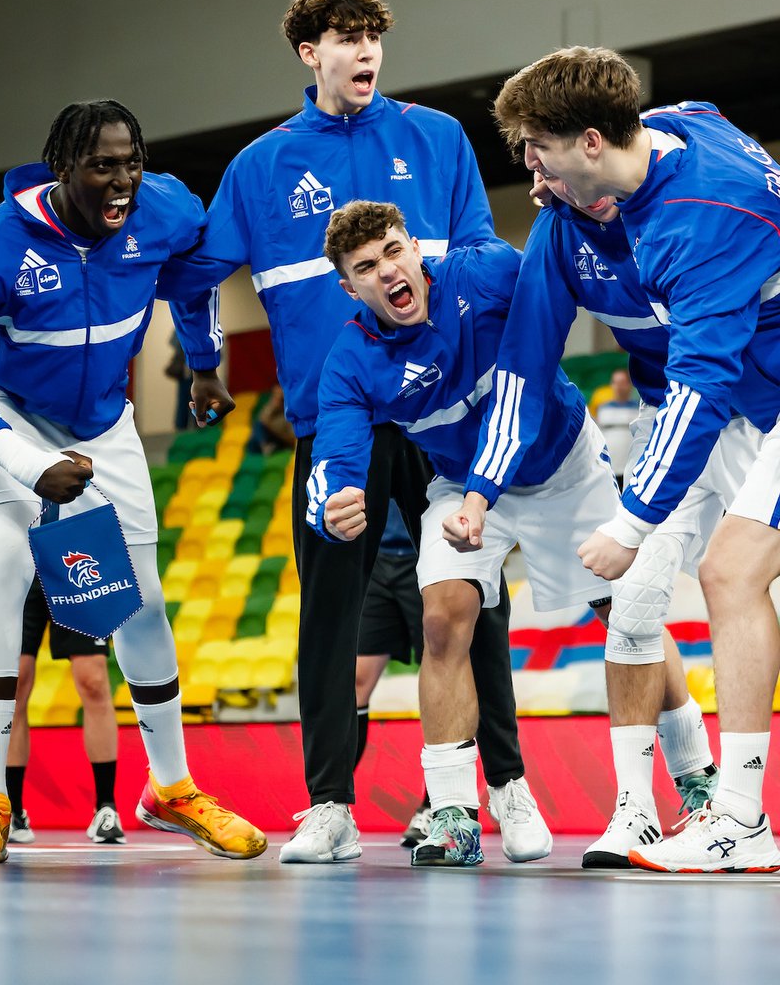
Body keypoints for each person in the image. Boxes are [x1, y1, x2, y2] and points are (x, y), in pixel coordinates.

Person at [164, 0, 544, 865]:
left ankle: (509, 790)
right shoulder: (260, 169)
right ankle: (329, 806)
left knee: (473, 607)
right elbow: (193, 275)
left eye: (373, 35)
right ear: (310, 54)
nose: (365, 51)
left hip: (443, 420)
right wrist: (207, 361)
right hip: (334, 428)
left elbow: (484, 251)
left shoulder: (437, 139)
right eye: (345, 38)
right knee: (329, 620)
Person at [0, 99, 266, 864]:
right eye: (103, 166)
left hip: (104, 425)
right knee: (6, 559)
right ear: (62, 166)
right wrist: (27, 461)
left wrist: (203, 364)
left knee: (139, 596)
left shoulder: (163, 207)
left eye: (131, 163)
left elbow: (193, 273)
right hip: (9, 421)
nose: (122, 183)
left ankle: (170, 789)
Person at [492, 47, 780, 873]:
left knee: (729, 574)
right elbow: (701, 113)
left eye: (540, 159)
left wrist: (629, 519)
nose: (535, 183)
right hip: (758, 408)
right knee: (731, 576)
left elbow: (699, 386)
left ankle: (739, 819)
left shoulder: (703, 220)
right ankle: (733, 818)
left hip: (751, 406)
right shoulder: (667, 131)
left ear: (589, 142)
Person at [306, 200, 633, 867]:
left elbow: (575, 282)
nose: (386, 272)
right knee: (443, 616)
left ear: (414, 250)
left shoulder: (485, 272)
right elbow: (334, 461)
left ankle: (693, 777)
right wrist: (332, 504)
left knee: (628, 615)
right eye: (365, 267)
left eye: (393, 251)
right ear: (349, 286)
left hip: (561, 462)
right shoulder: (349, 360)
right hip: (464, 487)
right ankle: (453, 816)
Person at [6, 577, 124, 845]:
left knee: (93, 679)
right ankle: (12, 809)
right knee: (15, 682)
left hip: (69, 554)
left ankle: (106, 807)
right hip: (20, 559)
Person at [353, 501, 430, 848]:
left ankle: (436, 805)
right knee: (356, 682)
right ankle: (334, 803)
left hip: (427, 553)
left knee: (441, 678)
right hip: (377, 558)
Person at [592, 369, 640, 487]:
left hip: (633, 466)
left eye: (623, 383)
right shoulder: (602, 409)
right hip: (609, 467)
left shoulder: (639, 409)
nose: (619, 387)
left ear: (630, 385)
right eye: (616, 382)